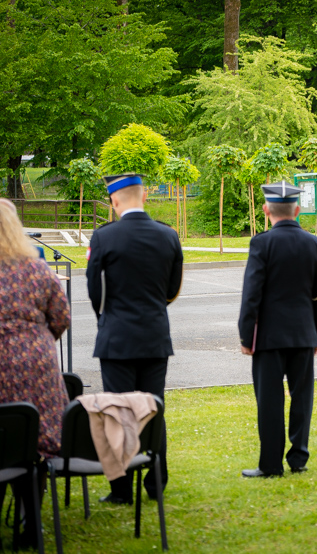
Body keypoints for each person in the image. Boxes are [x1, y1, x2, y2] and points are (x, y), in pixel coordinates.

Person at [85, 174, 183, 503]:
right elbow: (172, 289)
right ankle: (156, 483)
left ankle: (122, 489)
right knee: (153, 408)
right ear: (144, 198)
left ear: (114, 201)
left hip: (117, 337)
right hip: (155, 334)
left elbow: (95, 291)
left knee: (119, 413)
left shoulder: (104, 237)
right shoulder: (168, 236)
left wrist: (107, 320)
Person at [238, 182, 317, 477]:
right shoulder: (315, 243)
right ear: (297, 210)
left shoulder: (261, 243)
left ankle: (270, 464)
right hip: (304, 333)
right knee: (302, 397)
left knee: (269, 400)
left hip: (268, 336)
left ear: (266, 210)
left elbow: (251, 294)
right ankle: (298, 459)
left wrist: (245, 334)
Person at [0, 198, 70, 550]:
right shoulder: (36, 270)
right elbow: (62, 317)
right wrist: (36, 342)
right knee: (32, 443)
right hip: (35, 370)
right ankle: (31, 520)